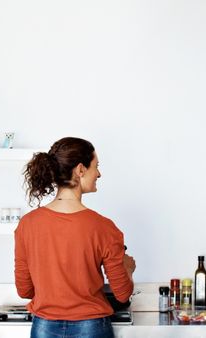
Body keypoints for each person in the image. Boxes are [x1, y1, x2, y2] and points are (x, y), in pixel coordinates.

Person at [15, 137, 136, 338]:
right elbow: (122, 294)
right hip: (92, 327)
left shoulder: (27, 225)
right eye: (96, 166)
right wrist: (128, 269)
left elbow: (24, 290)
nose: (99, 173)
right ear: (80, 170)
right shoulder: (103, 227)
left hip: (44, 327)